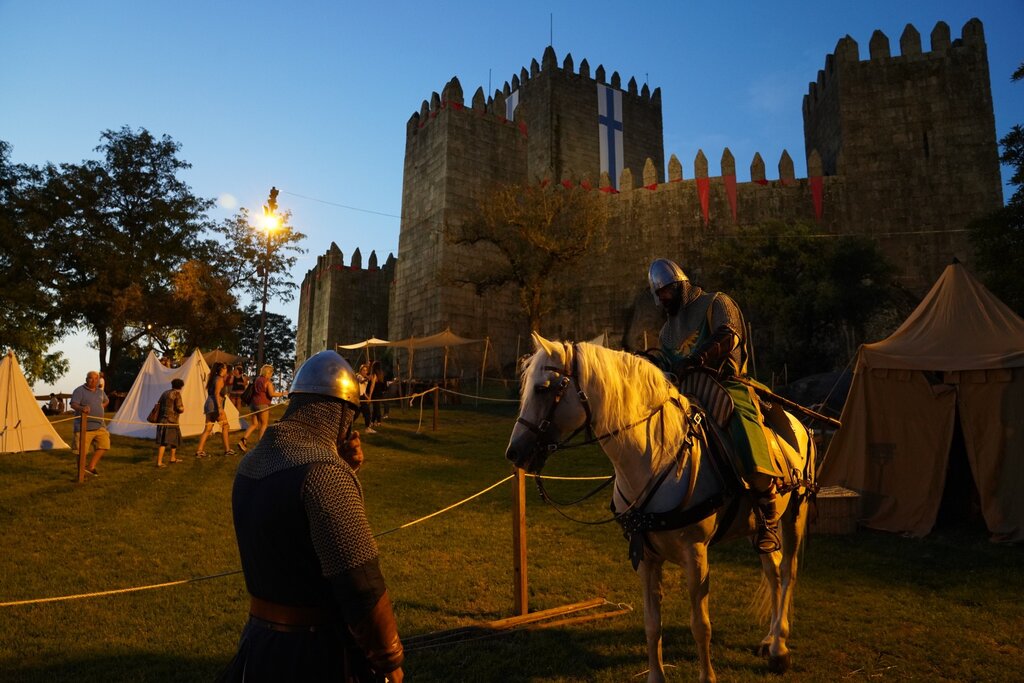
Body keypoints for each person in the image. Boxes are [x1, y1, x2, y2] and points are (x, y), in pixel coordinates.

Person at [218, 350, 404, 683]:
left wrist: (344, 470)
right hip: (314, 654)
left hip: (260, 645)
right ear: (343, 413)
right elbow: (360, 582)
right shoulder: (322, 475)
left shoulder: (253, 463)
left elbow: (294, 536)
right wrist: (389, 661)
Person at [648, 257, 783, 553]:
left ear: (680, 285)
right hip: (687, 391)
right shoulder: (667, 331)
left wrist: (699, 358)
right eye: (659, 295)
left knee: (741, 421)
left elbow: (729, 335)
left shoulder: (715, 303)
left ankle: (767, 508)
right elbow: (668, 363)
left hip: (725, 383)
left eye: (667, 291)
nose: (664, 298)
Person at [69, 371, 110, 477]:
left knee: (104, 445)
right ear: (86, 379)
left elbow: (106, 400)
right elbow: (73, 404)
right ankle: (81, 475)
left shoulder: (100, 392)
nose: (93, 381)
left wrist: (101, 407)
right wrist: (82, 408)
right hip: (83, 426)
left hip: (100, 425)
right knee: (81, 452)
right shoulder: (79, 391)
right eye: (91, 378)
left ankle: (90, 467)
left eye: (96, 379)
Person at [237, 364, 282, 452]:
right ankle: (260, 445)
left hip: (253, 404)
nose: (272, 375)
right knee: (264, 424)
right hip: (263, 404)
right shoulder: (267, 382)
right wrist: (283, 393)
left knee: (254, 424)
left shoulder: (257, 379)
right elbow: (271, 394)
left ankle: (243, 440)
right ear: (268, 373)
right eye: (271, 373)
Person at [197, 362, 234, 458]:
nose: (227, 370)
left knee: (208, 428)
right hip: (214, 405)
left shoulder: (214, 378)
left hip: (209, 404)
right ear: (221, 370)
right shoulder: (219, 379)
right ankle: (227, 450)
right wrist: (219, 408)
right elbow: (217, 394)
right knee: (225, 426)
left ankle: (199, 451)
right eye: (225, 368)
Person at [155, 378, 186, 468]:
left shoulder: (165, 393)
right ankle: (159, 462)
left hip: (162, 419)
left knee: (173, 440)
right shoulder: (177, 394)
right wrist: (183, 409)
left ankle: (173, 458)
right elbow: (179, 408)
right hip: (171, 421)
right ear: (180, 386)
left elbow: (159, 404)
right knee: (164, 442)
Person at [355, 363, 376, 434]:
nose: (365, 372)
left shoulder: (365, 378)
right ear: (360, 370)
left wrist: (368, 398)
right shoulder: (358, 376)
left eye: (366, 370)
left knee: (358, 413)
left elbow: (363, 390)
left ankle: (367, 428)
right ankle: (367, 428)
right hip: (358, 397)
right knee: (364, 412)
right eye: (363, 370)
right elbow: (361, 381)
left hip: (362, 396)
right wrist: (368, 378)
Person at [369, 361, 386, 428]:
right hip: (379, 393)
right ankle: (373, 421)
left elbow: (372, 386)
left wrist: (370, 395)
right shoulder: (381, 374)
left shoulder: (374, 375)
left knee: (376, 408)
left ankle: (378, 421)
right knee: (376, 408)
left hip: (375, 394)